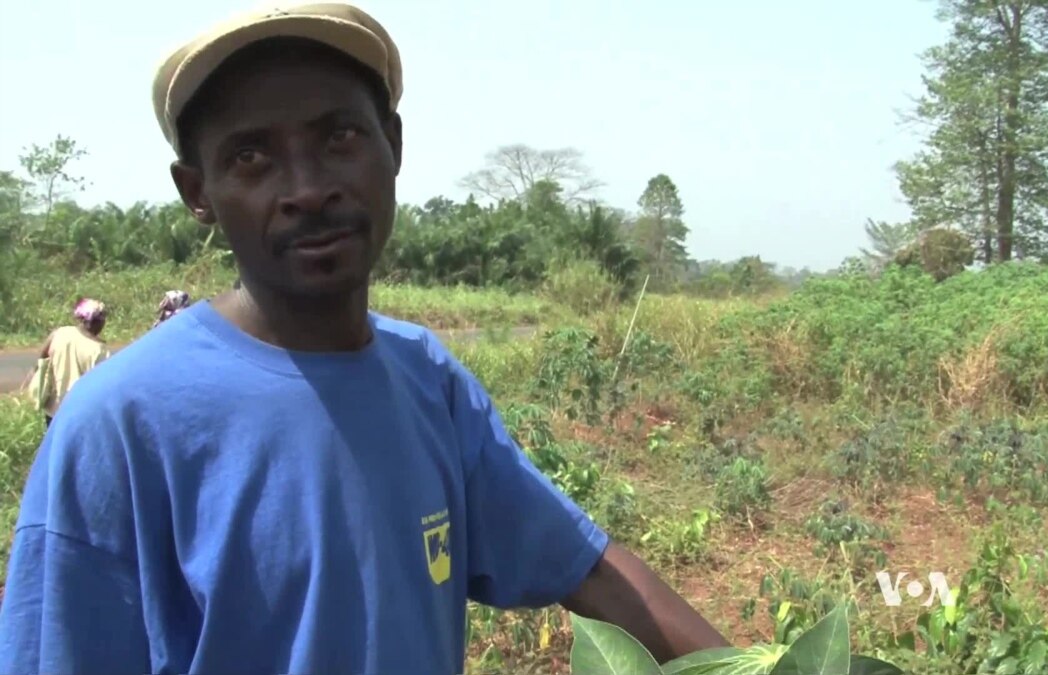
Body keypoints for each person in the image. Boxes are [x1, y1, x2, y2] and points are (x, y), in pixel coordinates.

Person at [0, 4, 729, 674]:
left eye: (339, 136)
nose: (308, 188)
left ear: (394, 143)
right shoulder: (119, 426)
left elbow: (588, 568)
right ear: (198, 192)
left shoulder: (428, 383)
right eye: (251, 157)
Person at [29, 298, 111, 428]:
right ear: (97, 322)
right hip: (80, 412)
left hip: (53, 409)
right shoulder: (99, 351)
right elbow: (103, 388)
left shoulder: (60, 333)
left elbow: (41, 361)